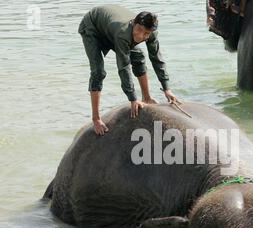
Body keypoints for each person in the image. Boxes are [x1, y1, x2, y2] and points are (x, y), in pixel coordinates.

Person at [78, 5, 182, 135]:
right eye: (139, 30)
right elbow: (123, 67)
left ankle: (147, 97)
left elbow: (157, 59)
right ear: (133, 23)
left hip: (111, 28)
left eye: (146, 33)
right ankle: (96, 118)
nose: (140, 36)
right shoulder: (123, 33)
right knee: (98, 72)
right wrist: (132, 98)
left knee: (139, 58)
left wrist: (167, 88)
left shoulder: (151, 34)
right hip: (93, 27)